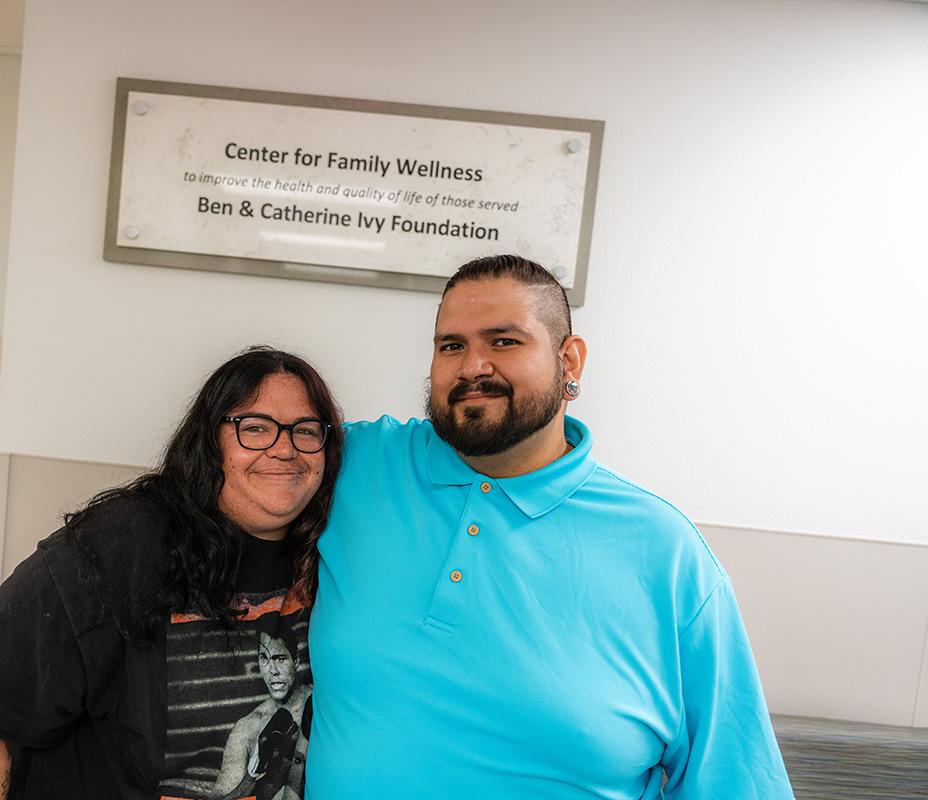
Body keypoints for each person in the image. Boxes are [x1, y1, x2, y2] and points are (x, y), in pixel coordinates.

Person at [307, 255, 795, 798]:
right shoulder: (355, 466)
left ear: (570, 361)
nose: (472, 366)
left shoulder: (665, 550)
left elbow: (733, 781)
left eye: (504, 341)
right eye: (451, 346)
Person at [0, 347, 342, 800]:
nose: (284, 448)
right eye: (255, 428)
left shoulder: (332, 555)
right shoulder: (119, 547)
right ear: (210, 442)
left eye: (305, 430)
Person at [211, 629, 312, 800]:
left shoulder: (321, 702)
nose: (272, 670)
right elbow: (222, 796)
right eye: (264, 658)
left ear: (296, 661)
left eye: (279, 659)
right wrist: (253, 773)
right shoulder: (247, 727)